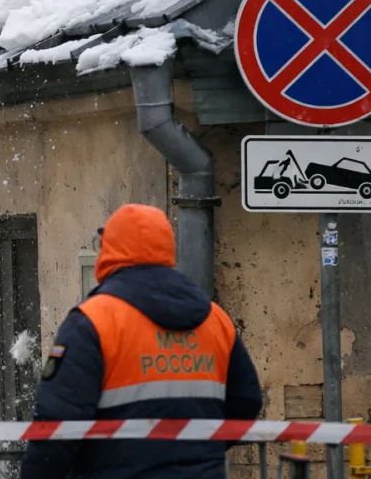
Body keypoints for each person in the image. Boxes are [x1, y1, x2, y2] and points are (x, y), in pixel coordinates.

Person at [20, 204, 263, 479]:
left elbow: (57, 423)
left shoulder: (94, 320)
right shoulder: (215, 319)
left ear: (109, 250)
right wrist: (198, 451)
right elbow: (246, 401)